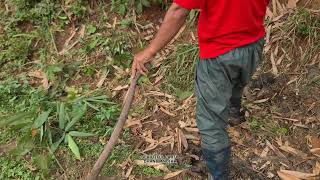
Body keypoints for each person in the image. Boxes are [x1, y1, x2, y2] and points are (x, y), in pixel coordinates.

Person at [131, 0, 269, 179]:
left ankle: (218, 176)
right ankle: (234, 112)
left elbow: (179, 10)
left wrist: (149, 51)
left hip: (219, 53)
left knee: (211, 124)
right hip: (253, 43)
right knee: (237, 80)